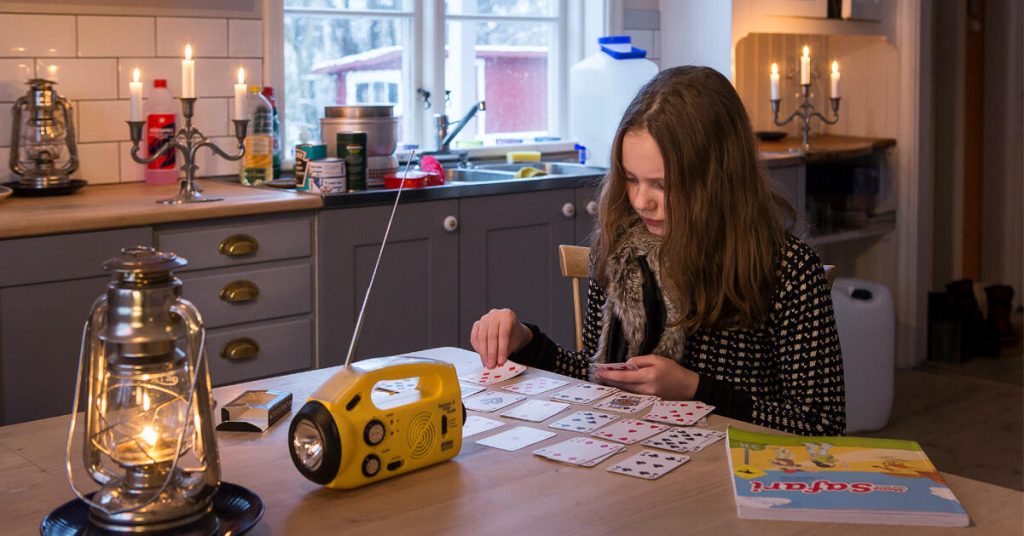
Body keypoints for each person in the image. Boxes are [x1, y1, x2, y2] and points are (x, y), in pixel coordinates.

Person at [469, 66, 846, 436]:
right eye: (631, 179)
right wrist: (527, 342)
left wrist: (696, 391)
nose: (640, 201)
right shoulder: (621, 252)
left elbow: (822, 427)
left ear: (719, 181)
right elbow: (598, 376)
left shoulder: (787, 269)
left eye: (662, 185)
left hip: (737, 476)